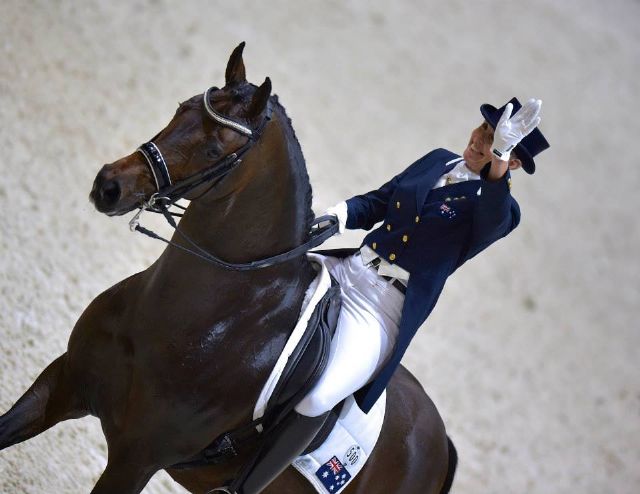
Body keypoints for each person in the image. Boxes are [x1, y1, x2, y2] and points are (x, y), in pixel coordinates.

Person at [218, 97, 550, 494]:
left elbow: (493, 214)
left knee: (318, 395)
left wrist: (498, 157)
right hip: (348, 268)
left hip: (380, 308)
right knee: (252, 278)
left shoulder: (499, 210)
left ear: (511, 162)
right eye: (483, 131)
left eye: (495, 143)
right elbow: (381, 200)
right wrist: (340, 214)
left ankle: (242, 489)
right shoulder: (438, 160)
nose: (481, 141)